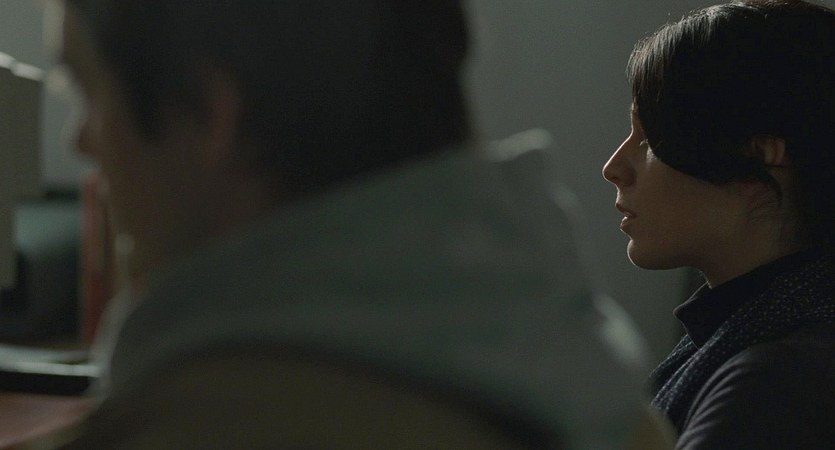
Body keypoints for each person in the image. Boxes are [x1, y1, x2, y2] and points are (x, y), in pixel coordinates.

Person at [45, 0, 672, 448]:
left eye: (88, 92)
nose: (80, 142)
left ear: (210, 114)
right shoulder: (606, 398)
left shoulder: (196, 427)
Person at [603, 0, 835, 448]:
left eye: (649, 139)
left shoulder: (778, 383)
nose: (614, 168)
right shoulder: (744, 333)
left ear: (760, 158)